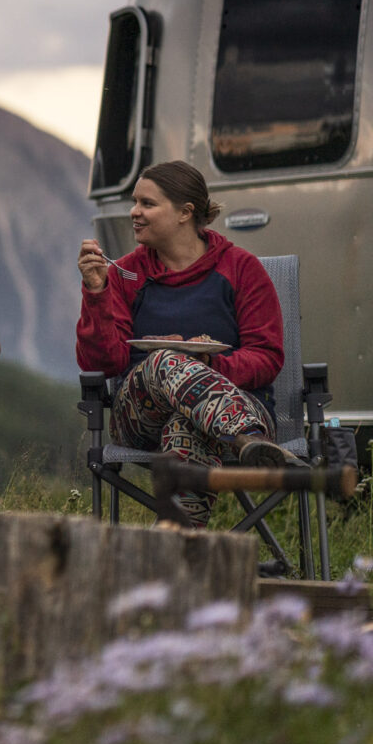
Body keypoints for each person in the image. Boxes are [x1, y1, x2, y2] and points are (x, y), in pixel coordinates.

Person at [75, 159, 290, 526]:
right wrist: (97, 291)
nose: (134, 212)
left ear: (184, 213)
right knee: (163, 361)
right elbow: (103, 363)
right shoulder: (126, 273)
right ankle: (243, 437)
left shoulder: (241, 269)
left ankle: (173, 557)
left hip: (229, 411)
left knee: (186, 428)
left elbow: (267, 356)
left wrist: (211, 366)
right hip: (143, 417)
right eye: (135, 202)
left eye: (147, 203)